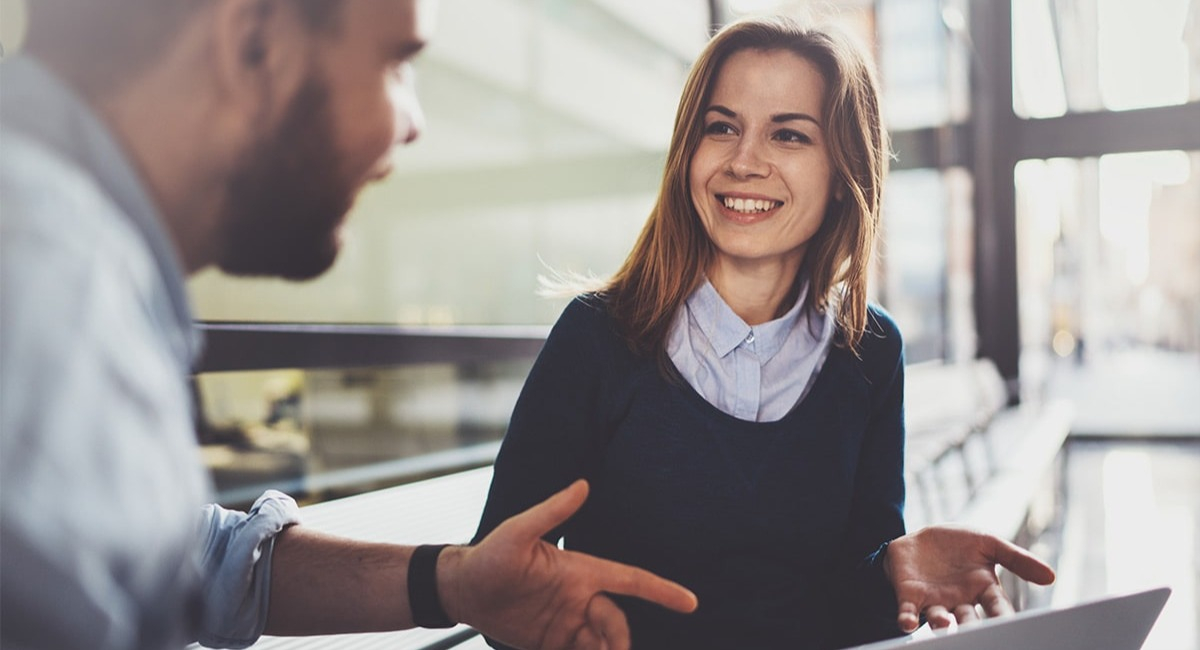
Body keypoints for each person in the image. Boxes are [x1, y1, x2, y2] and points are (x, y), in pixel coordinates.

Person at [0, 1, 699, 649]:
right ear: (252, 46)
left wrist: (453, 582)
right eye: (396, 63)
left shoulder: (74, 262)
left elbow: (192, 558)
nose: (414, 122)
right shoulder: (51, 296)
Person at [472, 15, 1055, 650]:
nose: (744, 162)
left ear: (843, 175)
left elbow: (848, 607)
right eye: (721, 127)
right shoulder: (598, 337)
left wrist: (894, 573)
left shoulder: (870, 350)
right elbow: (502, 594)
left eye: (788, 135)